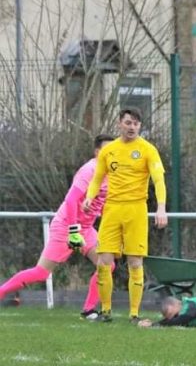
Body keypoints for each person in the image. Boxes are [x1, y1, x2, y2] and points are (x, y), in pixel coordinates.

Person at [0, 134, 115, 318]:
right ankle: (1, 291)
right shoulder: (89, 170)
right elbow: (70, 200)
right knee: (41, 273)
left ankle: (89, 310)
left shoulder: (112, 173)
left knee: (107, 266)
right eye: (108, 150)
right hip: (66, 226)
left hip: (85, 229)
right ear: (97, 152)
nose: (113, 154)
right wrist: (73, 231)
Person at [82, 108, 168, 323]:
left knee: (135, 262)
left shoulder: (148, 150)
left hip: (136, 210)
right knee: (104, 261)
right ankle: (106, 311)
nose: (132, 127)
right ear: (120, 123)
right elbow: (97, 178)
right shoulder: (108, 150)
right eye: (128, 122)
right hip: (111, 209)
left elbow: (158, 180)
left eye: (136, 123)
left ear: (140, 126)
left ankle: (134, 313)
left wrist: (161, 207)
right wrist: (89, 197)